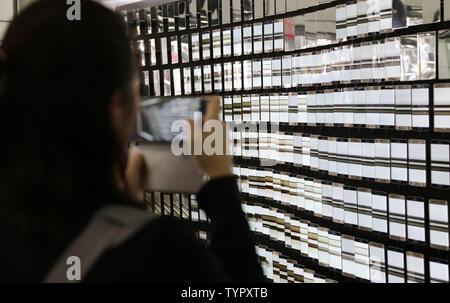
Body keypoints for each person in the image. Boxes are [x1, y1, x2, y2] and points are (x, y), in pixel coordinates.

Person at [0, 0, 265, 282]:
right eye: (137, 91)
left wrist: (120, 213)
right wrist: (220, 183)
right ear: (116, 110)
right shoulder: (159, 254)